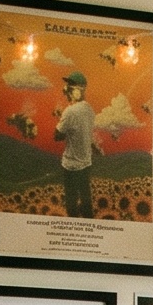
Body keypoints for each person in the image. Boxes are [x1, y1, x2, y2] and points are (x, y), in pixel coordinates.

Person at [55, 71, 98, 219]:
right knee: (86, 199)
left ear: (78, 90)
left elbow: (57, 136)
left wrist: (63, 119)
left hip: (71, 165)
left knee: (71, 202)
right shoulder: (89, 110)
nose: (66, 89)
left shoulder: (70, 112)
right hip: (86, 162)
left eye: (70, 86)